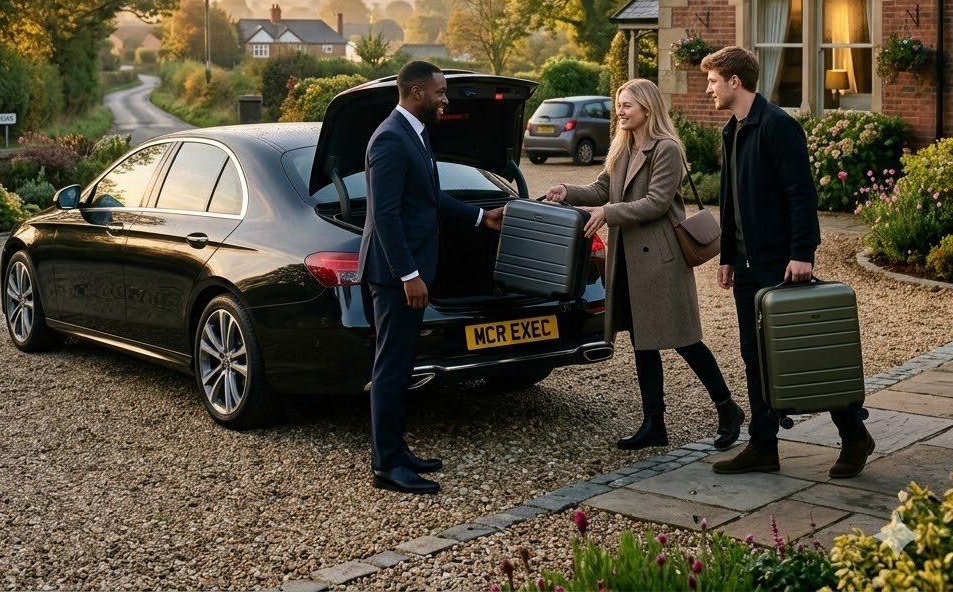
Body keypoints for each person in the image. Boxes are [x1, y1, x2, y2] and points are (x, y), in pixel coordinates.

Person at [543, 78, 743, 452]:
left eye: (627, 105)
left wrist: (606, 213)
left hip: (660, 260)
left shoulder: (665, 149)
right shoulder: (621, 147)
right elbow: (603, 190)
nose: (620, 110)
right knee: (643, 343)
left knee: (685, 340)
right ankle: (655, 423)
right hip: (628, 259)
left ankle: (728, 408)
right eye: (619, 104)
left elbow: (656, 202)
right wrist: (567, 191)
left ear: (647, 109)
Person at [701, 46, 874, 478]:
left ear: (734, 82)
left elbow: (802, 194)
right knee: (753, 356)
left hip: (781, 263)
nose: (708, 89)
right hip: (744, 264)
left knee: (806, 354)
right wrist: (726, 255)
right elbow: (731, 199)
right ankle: (763, 447)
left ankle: (855, 436)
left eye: (713, 81)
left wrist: (803, 253)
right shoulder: (732, 129)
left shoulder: (778, 126)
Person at [358, 60, 503, 495]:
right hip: (394, 276)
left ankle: (397, 450)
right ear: (417, 93)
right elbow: (384, 215)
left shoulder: (414, 135)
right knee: (390, 368)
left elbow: (429, 198)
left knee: (402, 366)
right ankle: (386, 465)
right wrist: (409, 275)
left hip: (408, 272)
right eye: (440, 93)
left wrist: (481, 216)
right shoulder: (389, 139)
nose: (446, 100)